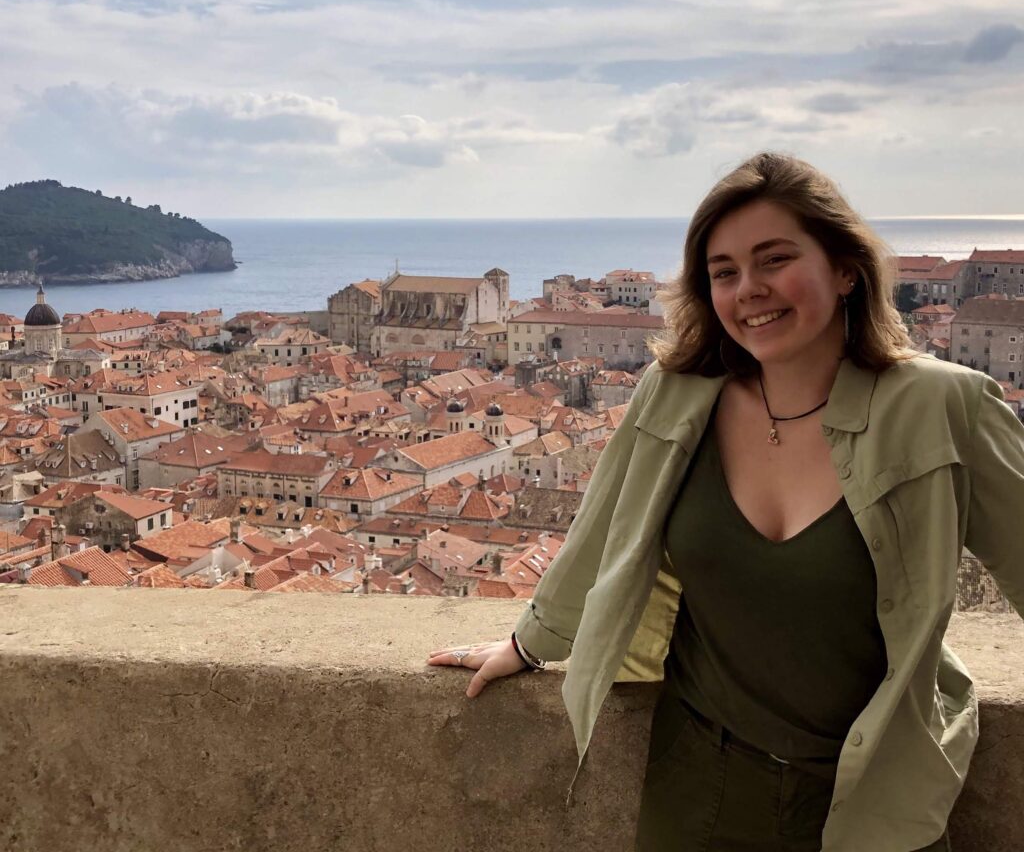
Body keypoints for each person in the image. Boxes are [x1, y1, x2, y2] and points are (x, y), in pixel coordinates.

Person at [426, 152, 1024, 852]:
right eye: (724, 272)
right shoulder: (677, 392)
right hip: (697, 788)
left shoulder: (943, 407)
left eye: (774, 260)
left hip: (875, 802)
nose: (750, 290)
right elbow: (606, 531)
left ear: (845, 268)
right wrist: (531, 642)